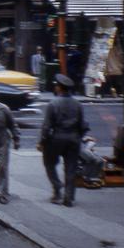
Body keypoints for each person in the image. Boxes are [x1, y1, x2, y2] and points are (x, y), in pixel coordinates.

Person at [39, 73, 89, 206]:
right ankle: (69, 197)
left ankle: (57, 187)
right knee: (71, 167)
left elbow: (46, 127)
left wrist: (42, 142)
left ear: (60, 88)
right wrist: (79, 138)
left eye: (56, 86)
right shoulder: (78, 104)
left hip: (57, 138)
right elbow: (83, 125)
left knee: (49, 163)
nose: (55, 88)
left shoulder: (53, 104)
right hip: (73, 138)